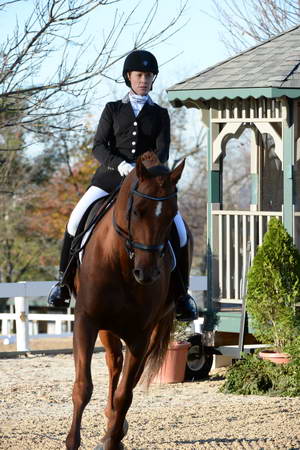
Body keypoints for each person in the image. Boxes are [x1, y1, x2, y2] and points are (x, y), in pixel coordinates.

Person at [47, 50, 197, 322]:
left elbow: (162, 154)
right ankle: (63, 284)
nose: (144, 80)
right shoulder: (112, 109)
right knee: (75, 219)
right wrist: (121, 165)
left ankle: (181, 294)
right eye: (139, 75)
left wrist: (145, 172)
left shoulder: (160, 114)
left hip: (146, 184)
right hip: (109, 179)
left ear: (153, 79)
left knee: (180, 230)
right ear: (129, 77)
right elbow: (98, 147)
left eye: (148, 76)